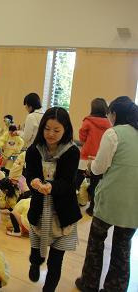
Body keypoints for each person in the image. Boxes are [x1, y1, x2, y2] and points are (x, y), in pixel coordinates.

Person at [75, 96, 138, 292]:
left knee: (96, 243)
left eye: (110, 114)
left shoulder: (114, 134)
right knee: (122, 248)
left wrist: (92, 166)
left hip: (111, 199)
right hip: (134, 203)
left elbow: (99, 167)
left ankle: (89, 283)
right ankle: (115, 288)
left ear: (115, 114)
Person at [25, 107, 82, 292]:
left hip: (63, 214)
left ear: (65, 129)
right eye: (47, 128)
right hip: (39, 210)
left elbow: (67, 181)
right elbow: (31, 173)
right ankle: (35, 262)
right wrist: (33, 181)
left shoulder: (72, 151)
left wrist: (51, 187)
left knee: (56, 261)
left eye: (56, 130)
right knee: (36, 249)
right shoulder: (34, 149)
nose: (50, 134)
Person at [77, 98, 111, 215]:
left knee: (76, 181)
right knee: (96, 184)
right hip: (99, 158)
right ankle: (92, 209)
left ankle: (70, 204)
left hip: (86, 157)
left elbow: (81, 138)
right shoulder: (109, 124)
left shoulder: (88, 121)